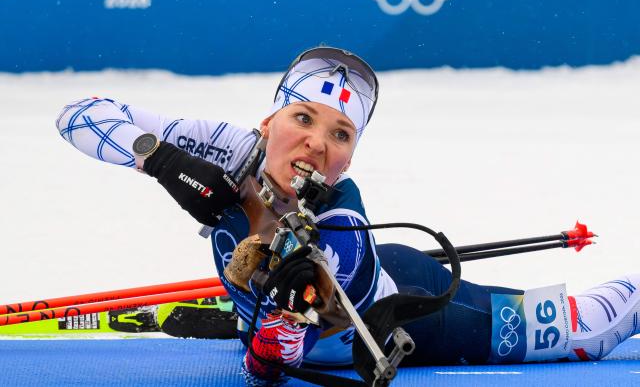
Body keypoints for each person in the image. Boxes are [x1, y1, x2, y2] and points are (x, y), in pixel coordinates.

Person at [56, 46, 640, 385]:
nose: (316, 143)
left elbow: (286, 352)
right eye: (302, 119)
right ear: (268, 124)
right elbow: (78, 115)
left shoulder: (342, 212)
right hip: (283, 315)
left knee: (587, 329)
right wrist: (160, 159)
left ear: (348, 158)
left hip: (410, 306)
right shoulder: (224, 148)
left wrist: (278, 322)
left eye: (340, 134)